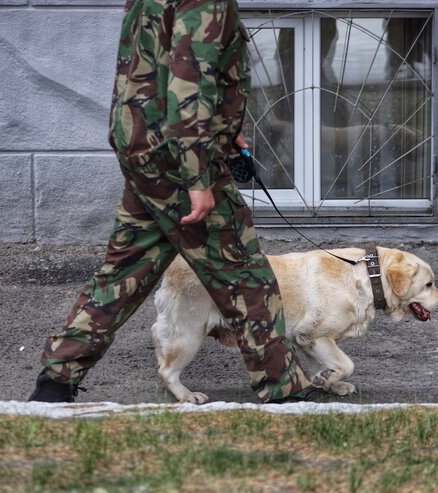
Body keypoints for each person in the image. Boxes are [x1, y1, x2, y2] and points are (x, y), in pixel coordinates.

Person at [28, 0, 315, 404]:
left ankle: (55, 383)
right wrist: (196, 175)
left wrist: (226, 129)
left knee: (125, 272)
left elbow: (156, 63)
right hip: (178, 158)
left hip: (147, 149)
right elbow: (190, 82)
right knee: (243, 273)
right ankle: (283, 390)